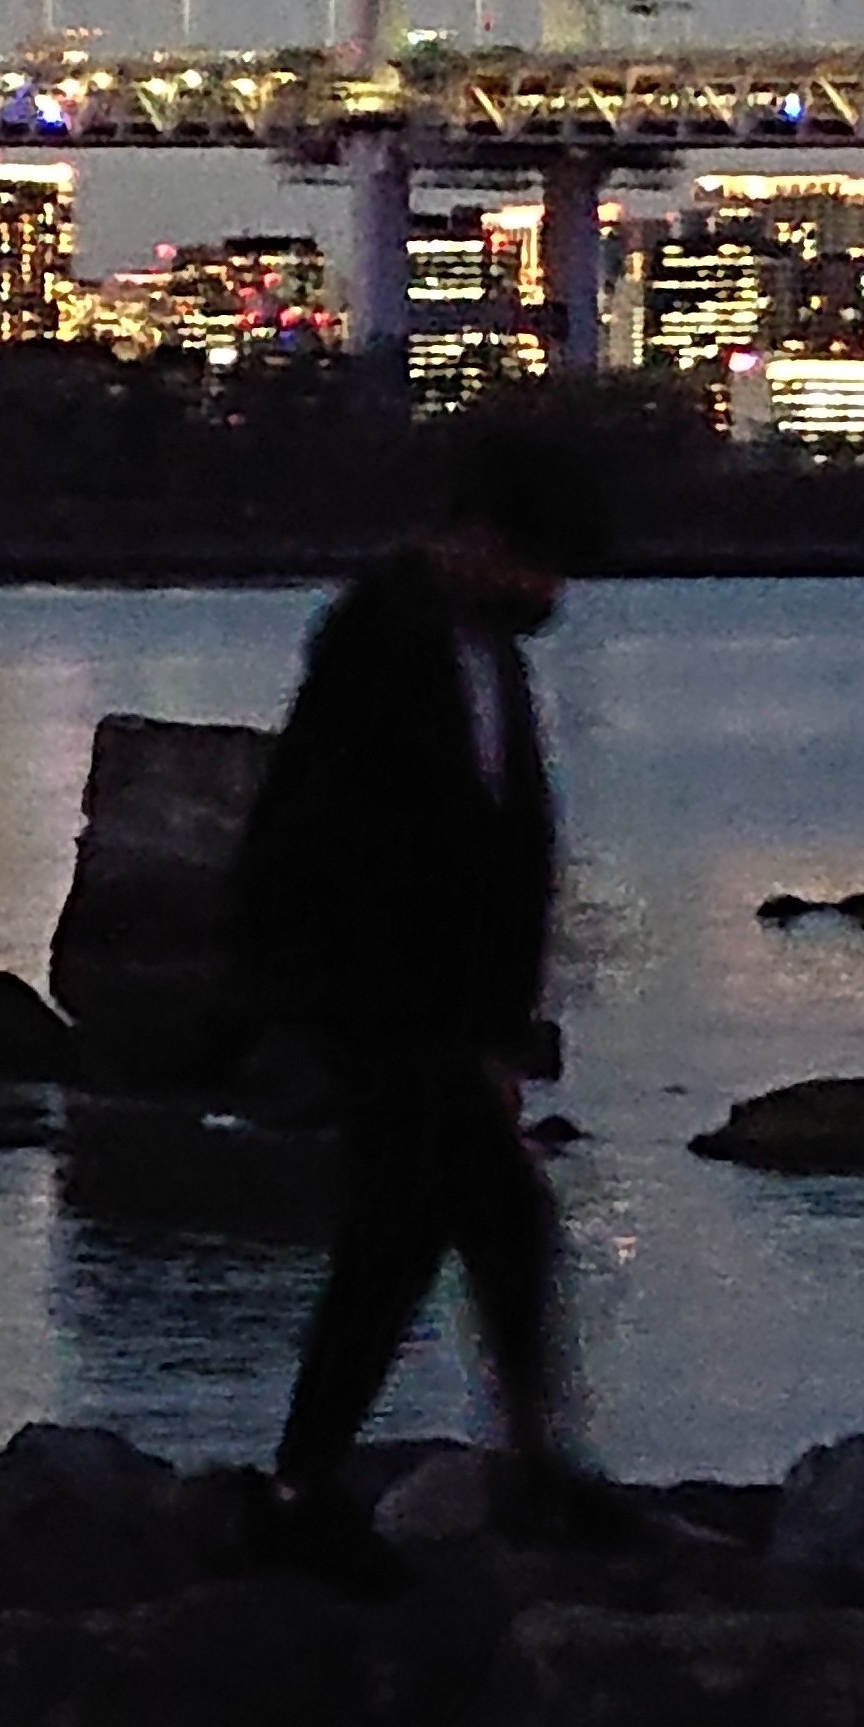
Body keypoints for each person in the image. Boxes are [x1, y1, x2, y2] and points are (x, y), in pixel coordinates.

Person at [232, 416, 612, 1565]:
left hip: (446, 1011)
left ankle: (500, 1465)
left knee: (469, 1228)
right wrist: (332, 1008)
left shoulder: (487, 651)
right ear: (484, 540)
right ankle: (319, 1486)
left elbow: (509, 850)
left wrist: (503, 1025)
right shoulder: (380, 637)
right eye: (541, 564)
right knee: (423, 1231)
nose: (552, 592)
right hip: (384, 999)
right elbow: (325, 832)